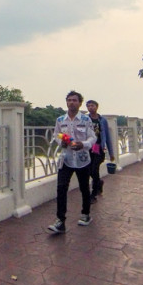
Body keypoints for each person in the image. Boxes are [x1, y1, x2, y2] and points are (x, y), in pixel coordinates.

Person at [47, 90, 97, 234]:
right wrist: (60, 142)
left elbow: (92, 138)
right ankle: (60, 221)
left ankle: (85, 214)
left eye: (74, 100)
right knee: (61, 188)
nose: (71, 102)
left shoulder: (86, 120)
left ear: (80, 103)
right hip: (66, 159)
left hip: (82, 159)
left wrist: (83, 144)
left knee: (84, 188)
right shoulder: (60, 120)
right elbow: (56, 135)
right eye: (69, 100)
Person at [83, 99, 115, 203]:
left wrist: (111, 153)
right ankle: (99, 183)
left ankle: (93, 194)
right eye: (88, 106)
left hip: (99, 148)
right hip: (88, 148)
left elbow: (108, 137)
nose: (90, 108)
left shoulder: (103, 120)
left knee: (94, 169)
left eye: (92, 105)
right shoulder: (85, 119)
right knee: (90, 170)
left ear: (97, 107)